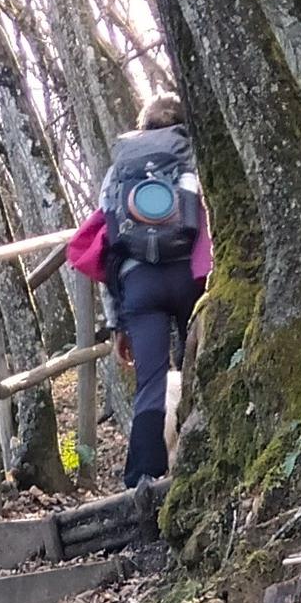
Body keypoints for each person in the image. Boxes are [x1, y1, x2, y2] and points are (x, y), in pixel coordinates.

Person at [93, 92, 207, 488]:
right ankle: (200, 455)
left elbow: (106, 246)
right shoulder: (193, 154)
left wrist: (116, 322)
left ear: (142, 127)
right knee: (198, 364)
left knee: (151, 382)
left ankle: (142, 476)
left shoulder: (119, 170)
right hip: (191, 274)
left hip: (138, 283)